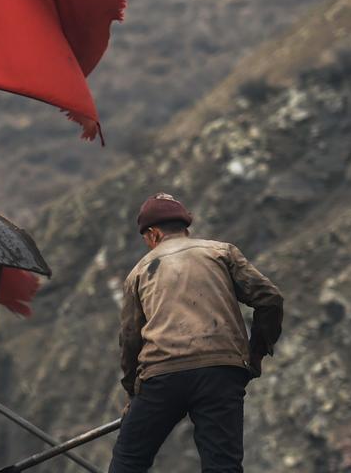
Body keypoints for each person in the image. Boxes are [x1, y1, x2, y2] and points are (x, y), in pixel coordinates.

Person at [108, 193, 284, 473]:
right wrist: (256, 352)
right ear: (185, 228)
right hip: (221, 371)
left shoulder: (139, 272)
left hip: (162, 374)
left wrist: (133, 393)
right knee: (222, 465)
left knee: (129, 460)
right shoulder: (221, 253)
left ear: (153, 234)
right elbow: (270, 299)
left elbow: (130, 338)